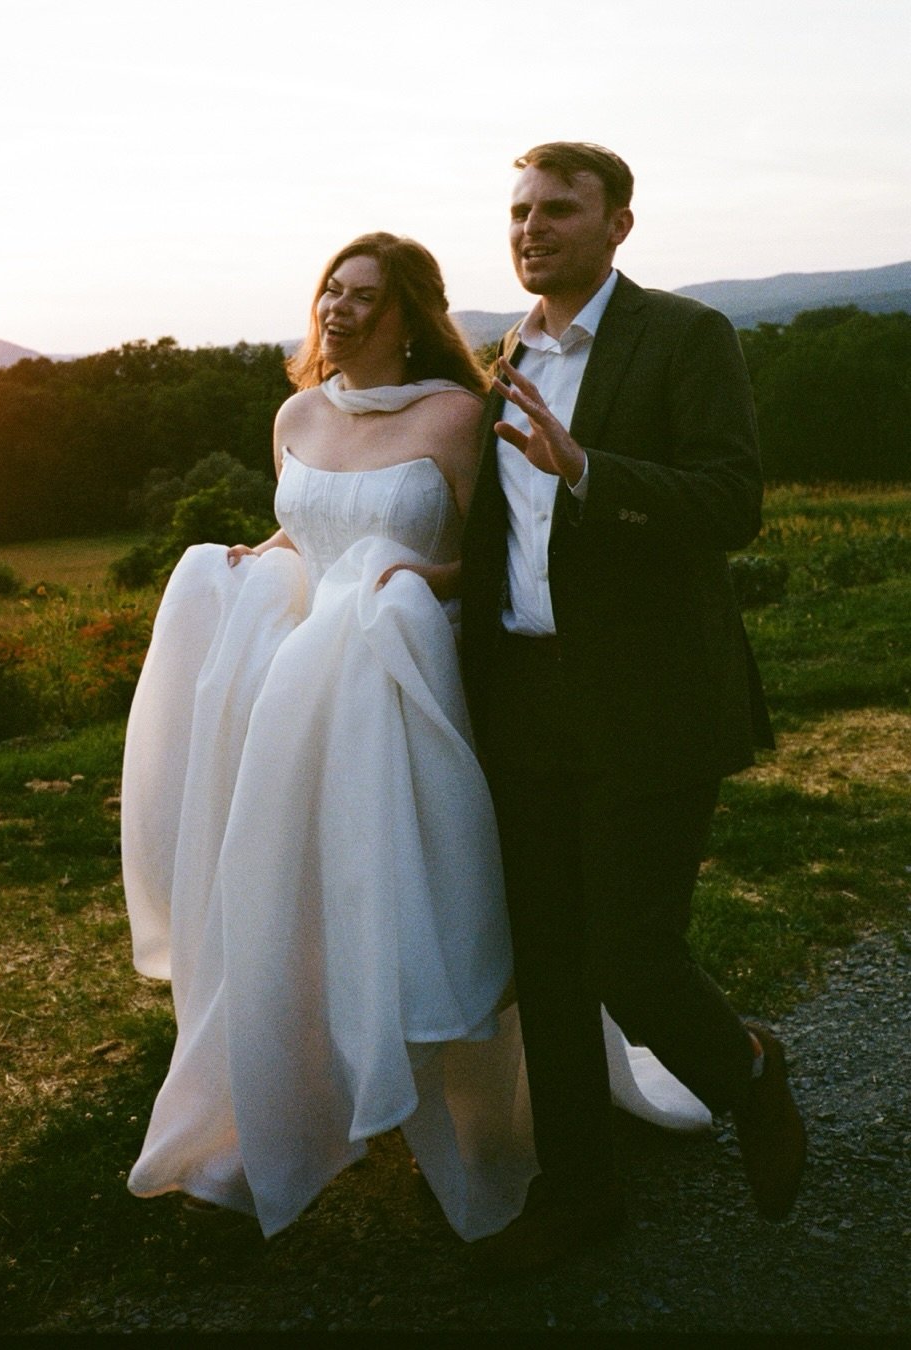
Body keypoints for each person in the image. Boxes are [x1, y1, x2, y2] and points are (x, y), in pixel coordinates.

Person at [121, 230, 711, 1245]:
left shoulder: (457, 416)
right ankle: (304, 1086)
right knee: (302, 893)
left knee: (419, 897)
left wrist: (406, 580)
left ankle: (472, 1109)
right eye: (329, 293)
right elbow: (308, 533)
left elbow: (491, 559)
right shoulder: (295, 413)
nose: (338, 311)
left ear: (409, 315)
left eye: (362, 297)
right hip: (301, 691)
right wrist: (249, 557)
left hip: (411, 682)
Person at [460, 142, 807, 1271]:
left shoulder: (684, 338)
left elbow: (730, 501)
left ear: (620, 226)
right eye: (518, 211)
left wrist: (590, 470)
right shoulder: (496, 359)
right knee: (548, 964)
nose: (531, 229)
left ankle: (747, 1072)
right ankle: (579, 1195)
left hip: (651, 701)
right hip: (522, 702)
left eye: (559, 209)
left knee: (629, 952)